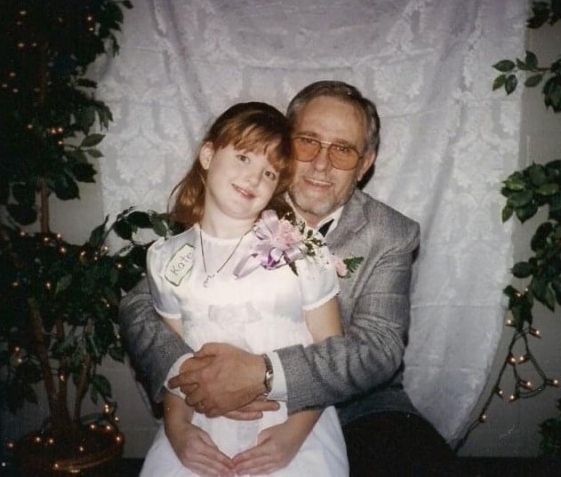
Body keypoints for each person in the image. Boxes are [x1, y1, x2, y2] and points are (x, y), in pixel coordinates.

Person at [121, 81, 457, 476]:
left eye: (343, 150)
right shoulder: (236, 205)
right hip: (218, 403)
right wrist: (198, 375)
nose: (321, 164)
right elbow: (140, 304)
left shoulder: (390, 233)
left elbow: (378, 347)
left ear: (365, 164)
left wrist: (261, 375)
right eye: (308, 142)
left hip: (361, 403)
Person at [138, 102, 349, 476]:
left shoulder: (304, 249)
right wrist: (178, 429)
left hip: (293, 419)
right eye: (243, 158)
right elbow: (174, 364)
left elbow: (332, 358)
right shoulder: (166, 258)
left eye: (269, 173)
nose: (253, 178)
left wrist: (292, 437)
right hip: (203, 420)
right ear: (207, 154)